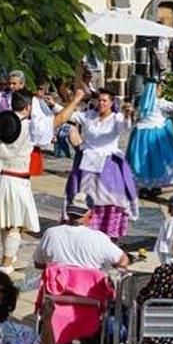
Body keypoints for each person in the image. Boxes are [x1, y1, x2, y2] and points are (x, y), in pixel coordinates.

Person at [0, 90, 84, 274]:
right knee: (16, 223)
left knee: (6, 221)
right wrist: (76, 100)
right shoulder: (30, 128)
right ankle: (6, 265)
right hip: (15, 180)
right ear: (28, 107)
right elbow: (61, 118)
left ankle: (9, 255)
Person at [63, 89, 137, 240]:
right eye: (100, 100)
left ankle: (108, 230)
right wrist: (62, 104)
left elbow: (125, 126)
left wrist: (128, 115)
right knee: (84, 195)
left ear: (111, 103)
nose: (101, 103)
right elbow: (70, 115)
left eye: (105, 101)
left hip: (108, 163)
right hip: (87, 162)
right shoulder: (89, 115)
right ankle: (84, 224)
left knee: (108, 196)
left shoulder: (117, 118)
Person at [33, 193, 128, 270]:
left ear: (67, 212)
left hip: (56, 290)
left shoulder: (51, 233)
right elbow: (123, 260)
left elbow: (38, 264)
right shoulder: (99, 238)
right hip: (88, 291)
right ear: (90, 214)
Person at [126, 79, 173, 196]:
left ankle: (145, 186)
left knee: (143, 160)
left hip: (140, 135)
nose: (160, 90)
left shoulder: (142, 101)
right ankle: (154, 186)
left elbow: (137, 115)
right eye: (159, 88)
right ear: (155, 89)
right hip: (155, 135)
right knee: (157, 160)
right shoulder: (159, 102)